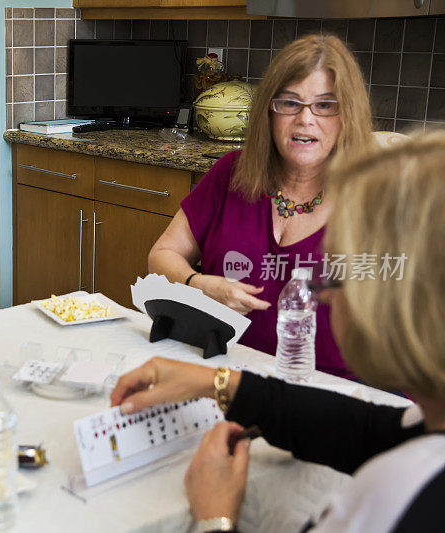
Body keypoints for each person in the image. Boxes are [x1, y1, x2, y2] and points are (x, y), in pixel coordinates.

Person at [114, 132, 444, 531]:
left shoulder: (391, 496)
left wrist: (215, 517)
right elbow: (367, 429)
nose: (326, 299)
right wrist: (220, 383)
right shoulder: (423, 432)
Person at [149, 34, 374, 379]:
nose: (305, 119)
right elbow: (162, 254)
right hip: (230, 373)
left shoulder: (376, 199)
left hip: (338, 397)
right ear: (269, 110)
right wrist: (198, 283)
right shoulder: (231, 173)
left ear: (349, 115)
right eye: (289, 103)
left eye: (325, 105)